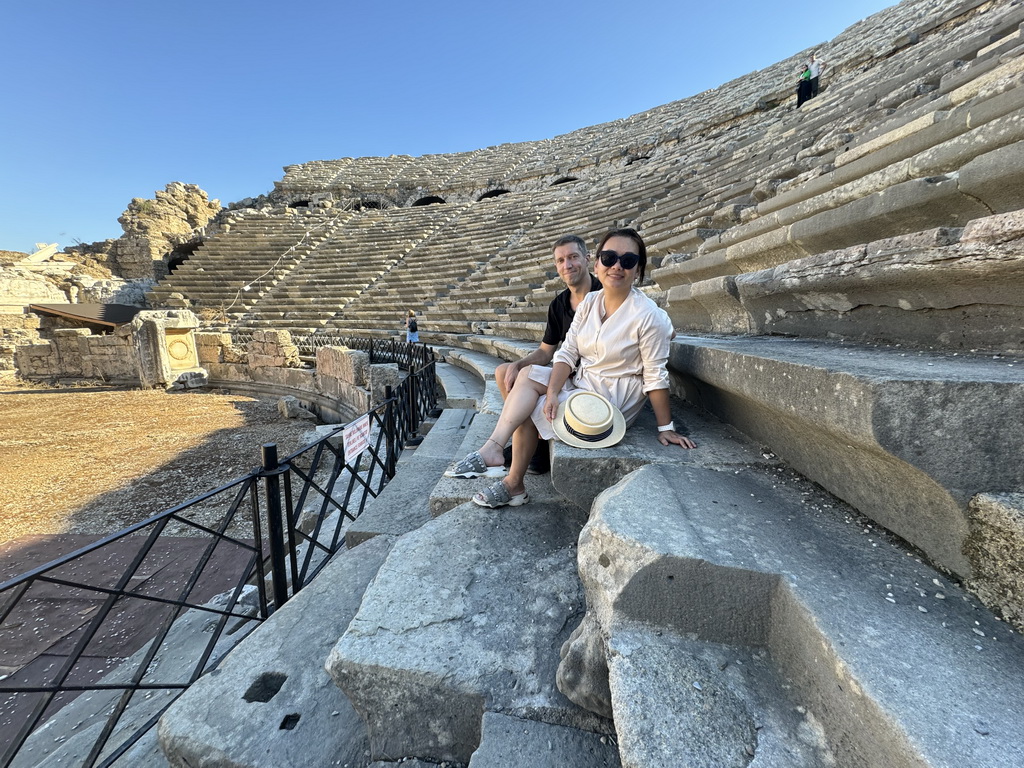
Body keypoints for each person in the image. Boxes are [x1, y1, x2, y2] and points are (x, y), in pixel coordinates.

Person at [444, 227, 697, 508]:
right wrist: (552, 392)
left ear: (638, 270)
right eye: (610, 257)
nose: (616, 266)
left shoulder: (649, 316)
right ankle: (495, 447)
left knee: (525, 402)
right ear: (598, 261)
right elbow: (567, 352)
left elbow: (655, 376)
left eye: (627, 261)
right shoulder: (590, 302)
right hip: (582, 382)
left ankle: (513, 483)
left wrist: (666, 427)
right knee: (524, 377)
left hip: (612, 399)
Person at [494, 234, 601, 474]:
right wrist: (519, 363)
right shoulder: (559, 304)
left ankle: (531, 448)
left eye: (573, 257)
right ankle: (535, 444)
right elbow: (545, 351)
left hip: (588, 375)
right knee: (505, 372)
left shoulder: (603, 294)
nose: (567, 265)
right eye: (561, 260)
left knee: (524, 379)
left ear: (587, 258)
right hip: (567, 368)